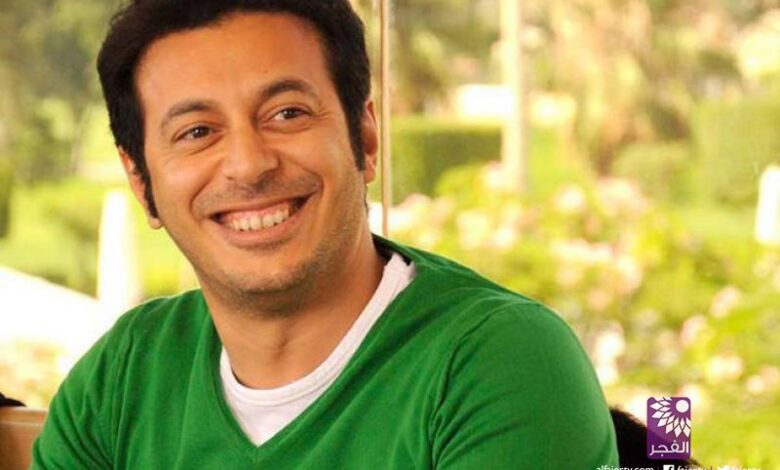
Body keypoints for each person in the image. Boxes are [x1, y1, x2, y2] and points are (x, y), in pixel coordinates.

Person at [32, 1, 618, 468]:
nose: (248, 165)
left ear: (365, 138)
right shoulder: (123, 377)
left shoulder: (500, 360)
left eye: (287, 113)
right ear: (141, 182)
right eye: (197, 132)